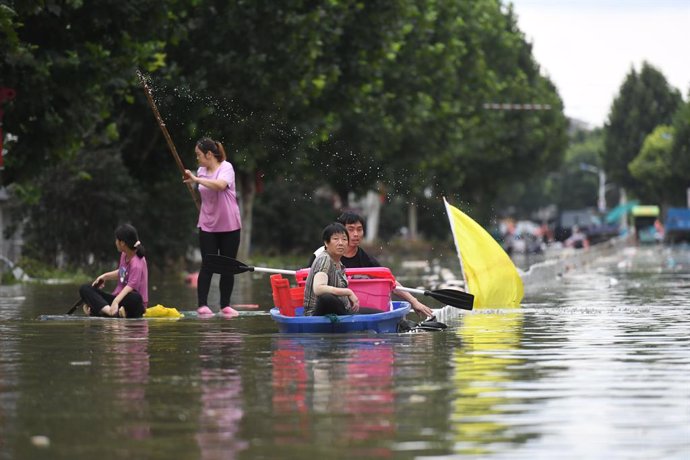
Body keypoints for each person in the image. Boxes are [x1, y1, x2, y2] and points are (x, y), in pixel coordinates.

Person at [307, 212, 434, 318]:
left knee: (380, 315)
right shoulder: (322, 256)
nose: (355, 234)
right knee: (327, 298)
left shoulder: (355, 259)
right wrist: (348, 291)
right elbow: (315, 287)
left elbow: (389, 281)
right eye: (350, 230)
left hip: (347, 306)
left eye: (359, 230)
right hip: (323, 307)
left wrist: (414, 301)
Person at [184, 137, 242, 317]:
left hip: (230, 225)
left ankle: (225, 305)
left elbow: (220, 186)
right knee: (207, 264)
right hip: (208, 225)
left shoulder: (226, 167)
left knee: (228, 266)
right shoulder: (201, 170)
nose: (197, 159)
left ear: (209, 154)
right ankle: (202, 305)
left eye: (199, 155)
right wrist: (193, 180)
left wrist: (196, 179)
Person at [303, 222, 383, 316]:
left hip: (343, 310)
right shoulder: (324, 259)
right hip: (317, 314)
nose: (340, 243)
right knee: (326, 298)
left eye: (344, 239)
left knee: (378, 314)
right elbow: (318, 288)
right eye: (335, 239)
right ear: (326, 242)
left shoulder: (339, 263)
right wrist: (348, 292)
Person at [79, 224, 148, 318]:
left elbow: (131, 286)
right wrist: (104, 276)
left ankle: (101, 310)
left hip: (132, 302)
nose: (115, 242)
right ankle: (111, 312)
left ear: (122, 243)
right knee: (85, 289)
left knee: (135, 298)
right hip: (118, 300)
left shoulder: (137, 262)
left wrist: (115, 301)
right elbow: (122, 272)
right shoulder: (124, 255)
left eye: (117, 240)